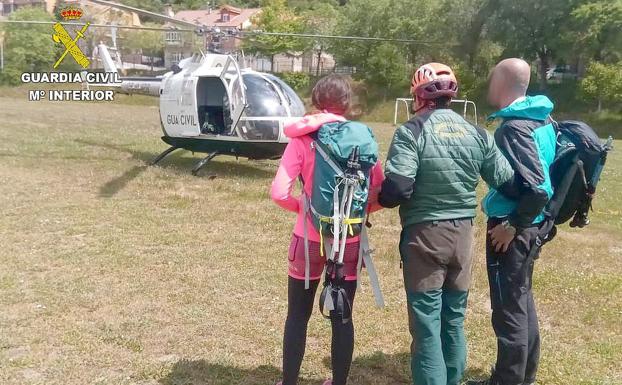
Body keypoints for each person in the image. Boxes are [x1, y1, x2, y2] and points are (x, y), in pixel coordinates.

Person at [379, 63, 517, 385]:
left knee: (427, 324)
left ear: (418, 96)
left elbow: (398, 187)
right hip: (463, 236)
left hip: (426, 235)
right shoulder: (477, 132)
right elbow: (508, 182)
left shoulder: (411, 131)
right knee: (453, 320)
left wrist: (380, 198)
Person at [270, 74, 384, 385]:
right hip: (349, 239)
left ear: (316, 101)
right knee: (342, 317)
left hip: (307, 239)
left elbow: (279, 192)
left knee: (297, 315)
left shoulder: (302, 139)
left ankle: (290, 381)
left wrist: (305, 210)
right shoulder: (362, 139)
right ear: (347, 104)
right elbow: (378, 192)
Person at [469, 58, 557, 385]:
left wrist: (512, 225)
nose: (490, 81)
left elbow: (539, 187)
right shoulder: (543, 118)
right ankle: (524, 376)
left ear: (504, 81)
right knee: (521, 300)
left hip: (513, 228)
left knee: (508, 311)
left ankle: (506, 380)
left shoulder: (514, 127)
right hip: (534, 225)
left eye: (494, 76)